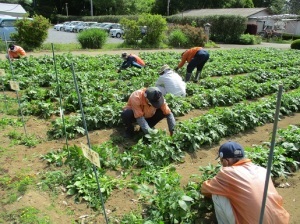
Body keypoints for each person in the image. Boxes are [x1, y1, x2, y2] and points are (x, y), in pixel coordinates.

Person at [201, 141, 290, 224]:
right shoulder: (262, 170)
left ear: (226, 161)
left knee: (217, 194)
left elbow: (205, 189)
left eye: (221, 161)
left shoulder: (227, 173)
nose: (222, 164)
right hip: (281, 220)